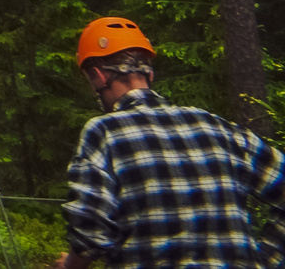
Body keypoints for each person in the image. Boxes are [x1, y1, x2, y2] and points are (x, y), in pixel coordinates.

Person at [56, 17, 285, 269]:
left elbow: (90, 233)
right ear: (149, 73)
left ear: (98, 77)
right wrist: (264, 261)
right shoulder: (219, 127)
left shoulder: (103, 132)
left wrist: (69, 265)